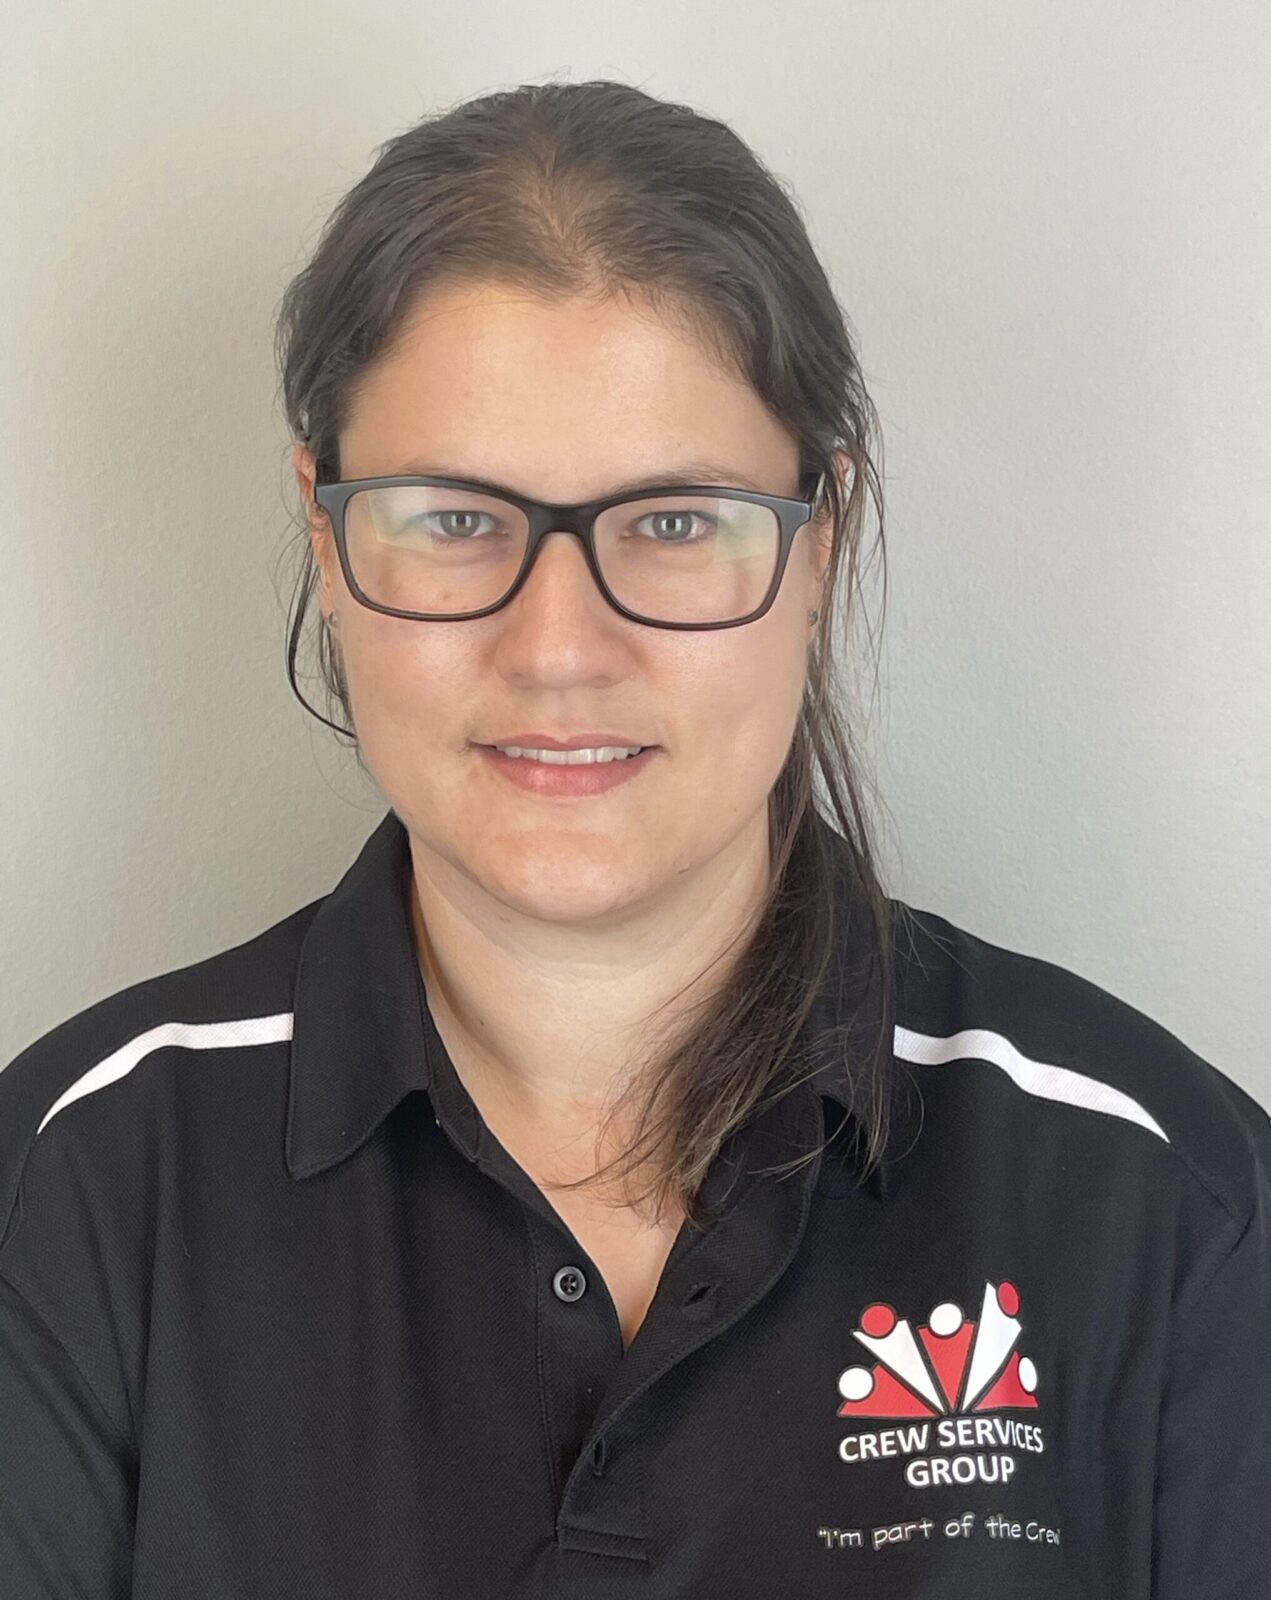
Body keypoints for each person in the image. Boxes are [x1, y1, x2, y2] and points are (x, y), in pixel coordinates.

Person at [1, 79, 1267, 1599]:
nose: (558, 650)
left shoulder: (1168, 1201)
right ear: (327, 541)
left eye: (672, 523)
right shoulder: (76, 1187)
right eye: (453, 518)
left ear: (821, 540)